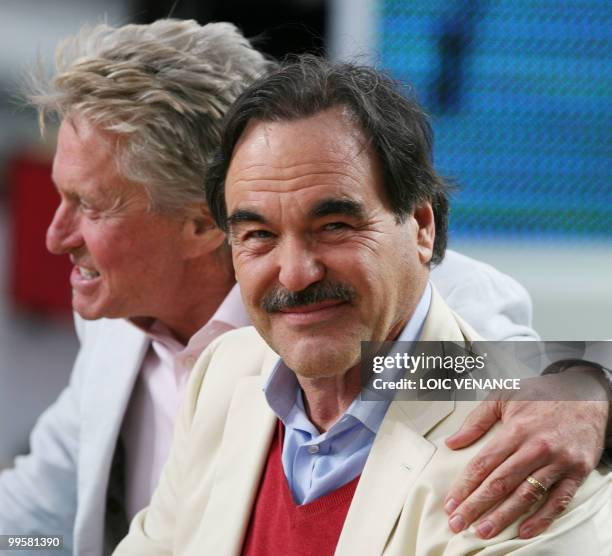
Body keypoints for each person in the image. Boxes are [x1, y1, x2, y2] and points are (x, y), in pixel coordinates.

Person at [0, 20, 606, 556]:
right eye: (259, 231)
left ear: (199, 223)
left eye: (91, 205)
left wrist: (591, 389)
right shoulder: (157, 345)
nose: (56, 236)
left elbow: (519, 383)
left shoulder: (438, 302)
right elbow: (37, 518)